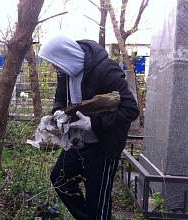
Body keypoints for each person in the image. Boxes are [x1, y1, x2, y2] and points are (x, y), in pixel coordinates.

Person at [38, 35, 139, 220]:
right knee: (60, 180)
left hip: (103, 145)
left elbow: (131, 110)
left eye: (54, 62)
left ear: (66, 55)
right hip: (77, 142)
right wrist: (58, 115)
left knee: (97, 200)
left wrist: (93, 123)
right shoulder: (65, 71)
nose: (53, 67)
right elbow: (60, 99)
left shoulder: (105, 70)